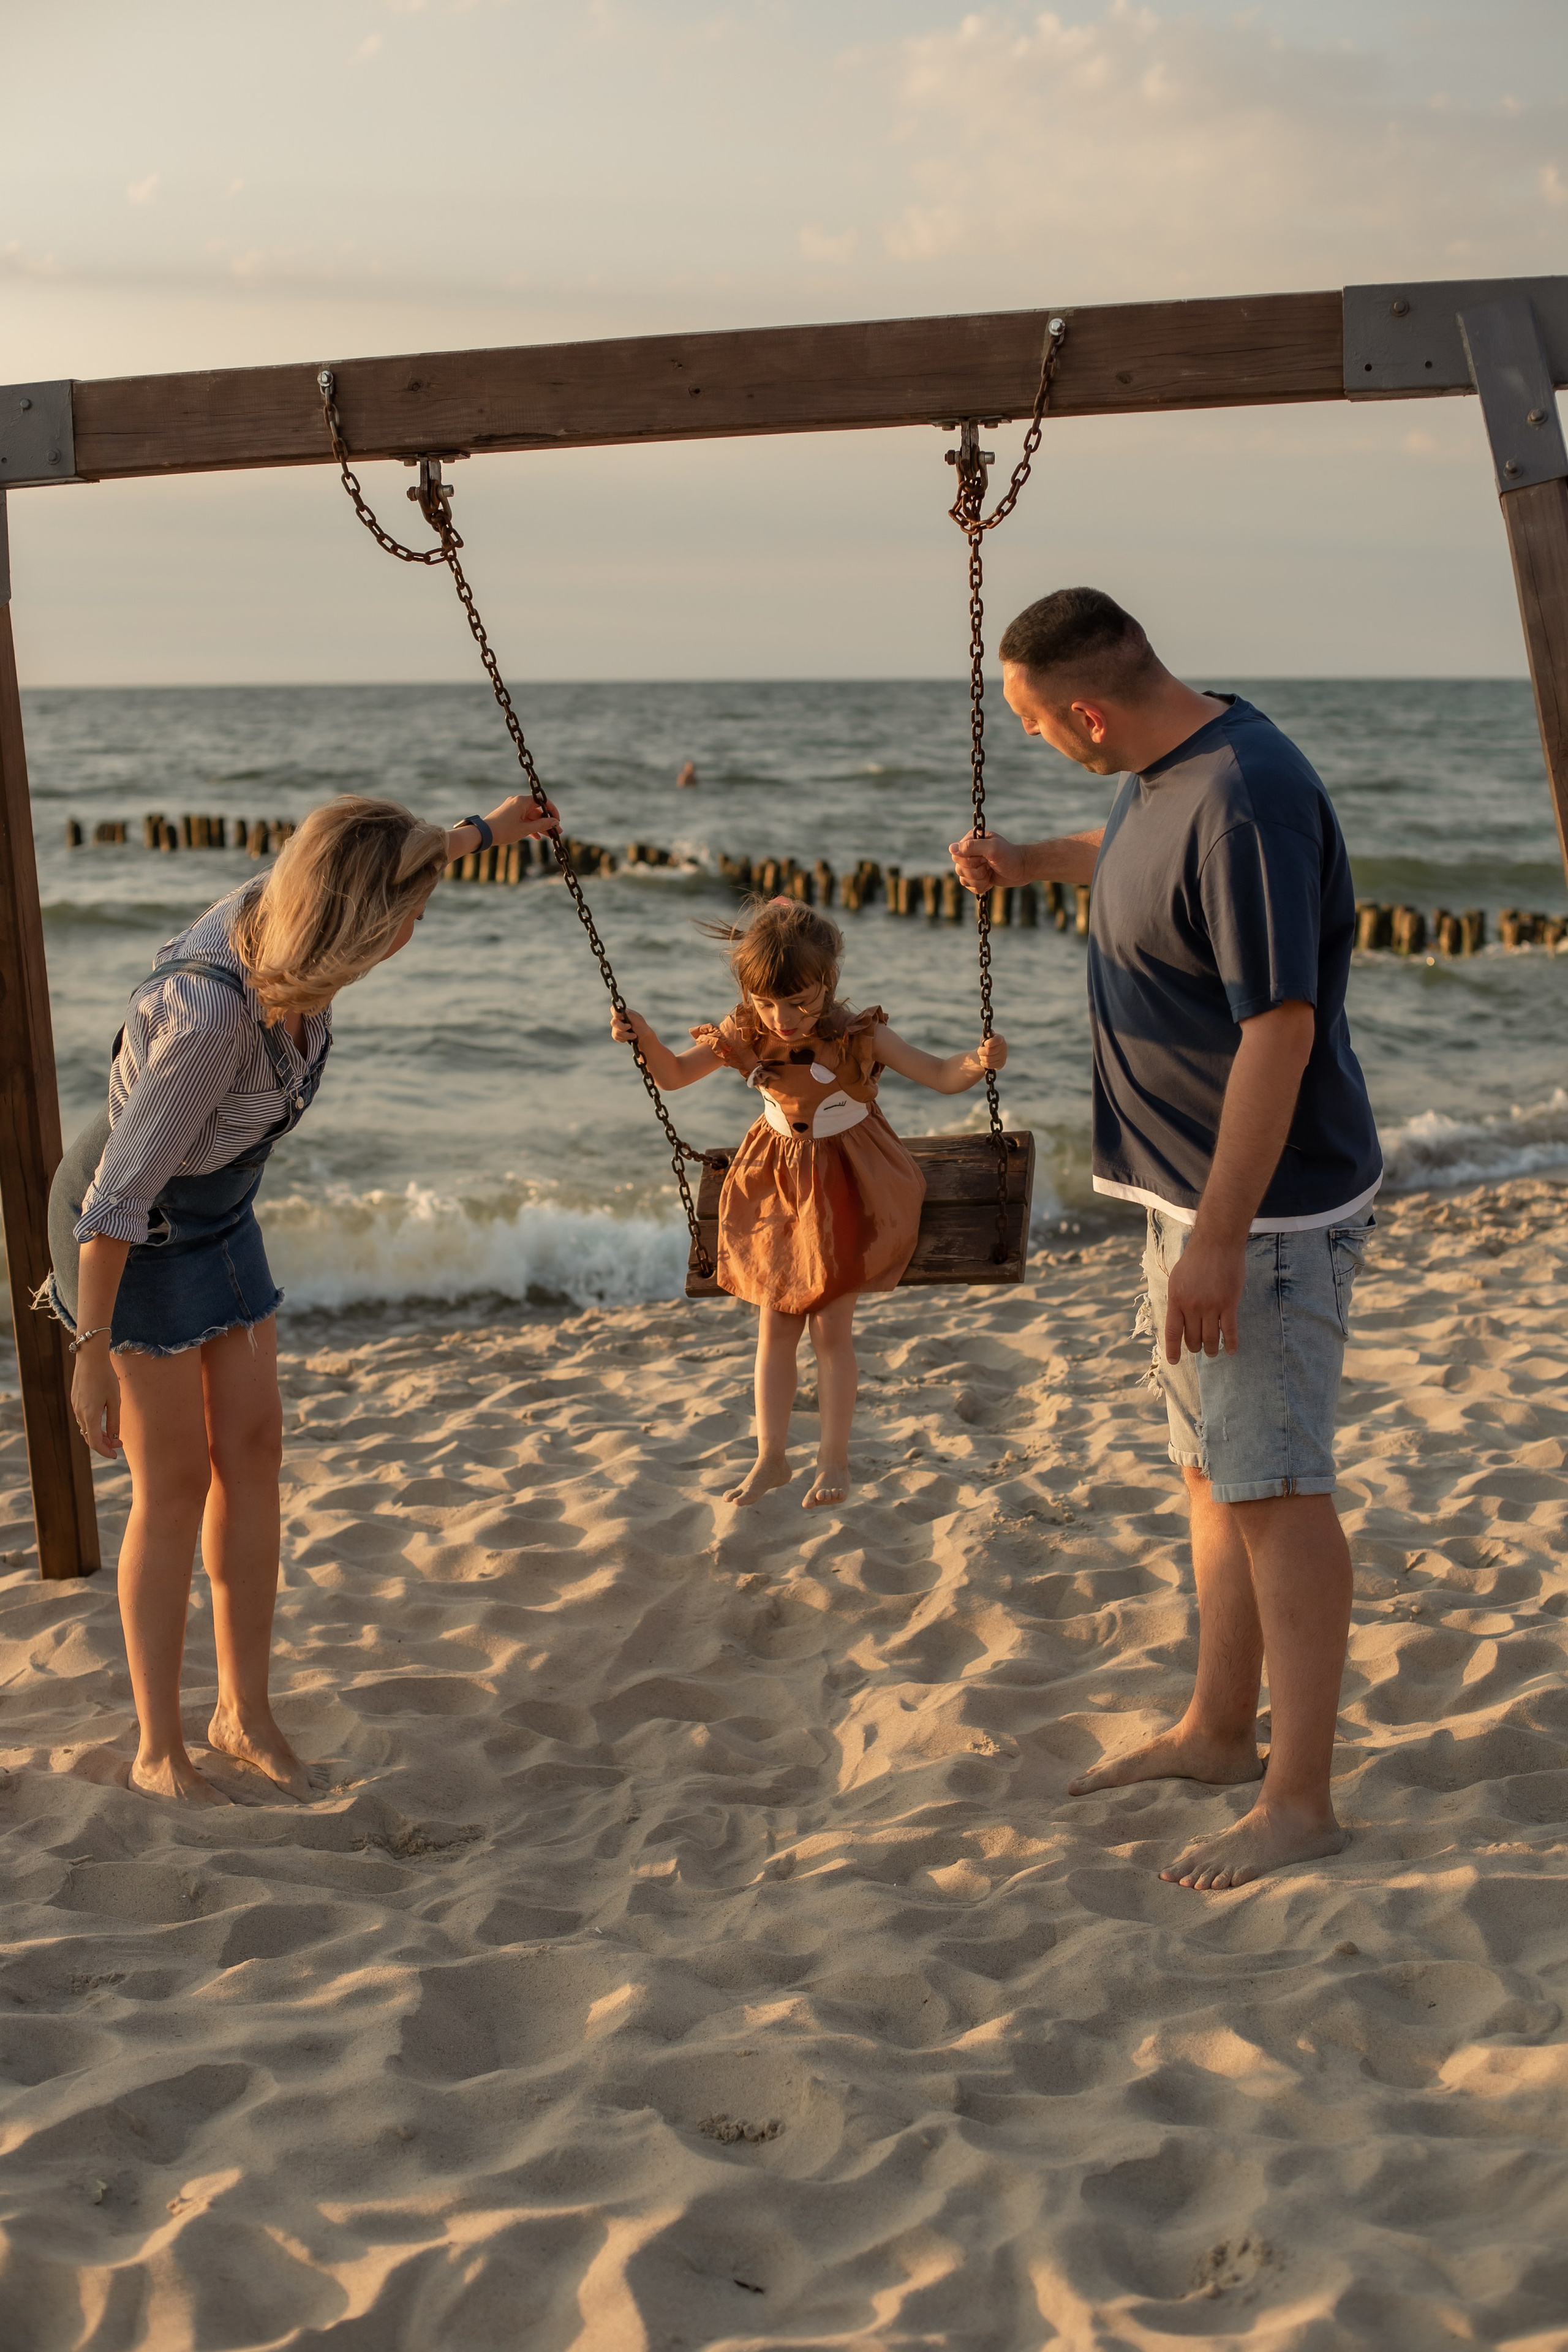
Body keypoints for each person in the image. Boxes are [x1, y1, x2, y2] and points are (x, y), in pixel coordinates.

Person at [950, 588, 1381, 1892]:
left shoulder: (1246, 793)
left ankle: (1298, 1800)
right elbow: (1138, 849)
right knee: (1212, 1475)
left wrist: (1219, 1237)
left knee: (1274, 1490)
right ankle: (1213, 1730)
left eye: (1034, 723)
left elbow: (1278, 1029)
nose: (1033, 741)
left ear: (1086, 706)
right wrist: (1034, 861)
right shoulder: (1163, 766)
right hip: (1183, 1203)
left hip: (1259, 1217)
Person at [46, 790, 560, 1807]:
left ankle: (244, 1714)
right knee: (176, 1481)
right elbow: (111, 1204)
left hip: (221, 1210)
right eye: (406, 917)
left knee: (256, 1452)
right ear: (356, 926)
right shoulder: (211, 1024)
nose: (415, 931)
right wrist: (91, 1350)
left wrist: (489, 831)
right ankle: (158, 1748)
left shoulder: (312, 925)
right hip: (131, 1234)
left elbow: (404, 860)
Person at [610, 896, 1007, 1509]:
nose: (783, 1018)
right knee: (773, 1324)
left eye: (799, 1002)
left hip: (849, 1178)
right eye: (768, 1003)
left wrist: (977, 1063)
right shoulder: (747, 1029)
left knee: (829, 1329)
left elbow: (937, 1072)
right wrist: (644, 1037)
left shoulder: (858, 1035)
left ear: (829, 982)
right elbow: (672, 1075)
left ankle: (833, 1458)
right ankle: (771, 1455)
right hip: (774, 1182)